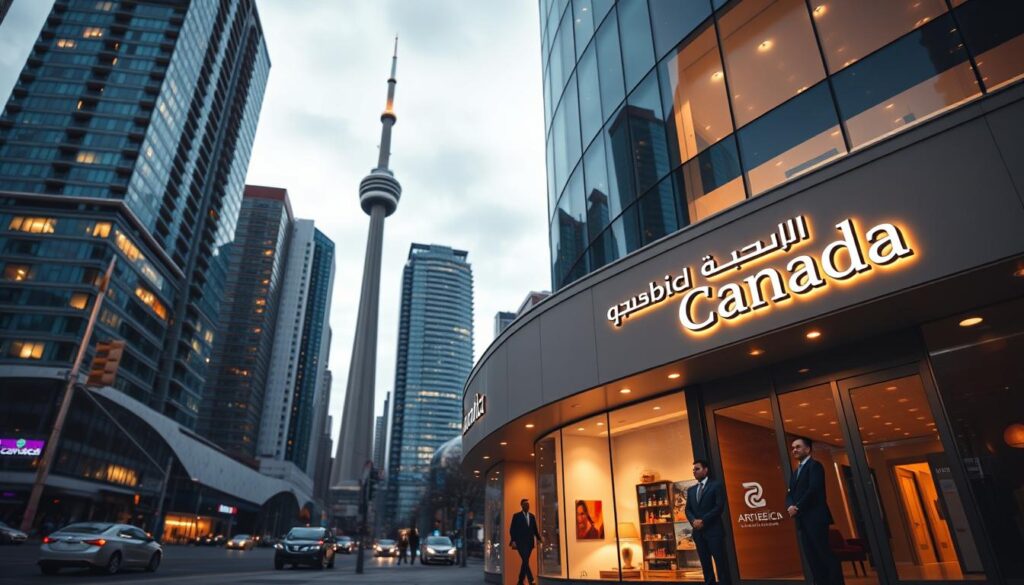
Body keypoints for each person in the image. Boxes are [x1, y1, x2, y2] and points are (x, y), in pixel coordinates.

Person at [786, 437, 844, 585]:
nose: (795, 450)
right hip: (802, 520)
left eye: (798, 447)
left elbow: (813, 490)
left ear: (808, 449)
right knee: (811, 557)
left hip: (816, 518)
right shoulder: (796, 471)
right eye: (793, 448)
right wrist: (790, 506)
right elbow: (790, 493)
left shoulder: (815, 466)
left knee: (823, 554)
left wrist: (797, 507)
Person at [684, 459, 730, 584]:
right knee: (705, 565)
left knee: (721, 564)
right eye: (693, 470)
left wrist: (703, 520)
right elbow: (687, 509)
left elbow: (719, 507)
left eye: (697, 469)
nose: (694, 471)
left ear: (706, 470)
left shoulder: (716, 485)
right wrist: (693, 521)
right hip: (699, 534)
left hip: (714, 532)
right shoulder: (691, 490)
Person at [509, 498, 542, 585]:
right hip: (520, 543)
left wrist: (539, 539)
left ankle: (520, 581)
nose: (527, 506)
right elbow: (512, 529)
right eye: (525, 504)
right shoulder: (516, 516)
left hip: (530, 543)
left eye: (528, 504)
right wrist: (513, 540)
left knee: (525, 561)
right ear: (522, 505)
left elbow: (535, 530)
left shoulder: (532, 516)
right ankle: (531, 580)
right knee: (525, 560)